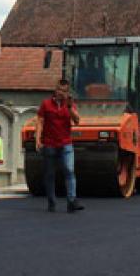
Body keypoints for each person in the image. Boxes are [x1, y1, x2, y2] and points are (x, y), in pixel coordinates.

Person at [36, 79, 84, 213]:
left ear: (67, 92)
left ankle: (72, 201)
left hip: (66, 144)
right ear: (55, 90)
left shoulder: (69, 105)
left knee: (69, 170)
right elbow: (40, 121)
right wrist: (38, 139)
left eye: (64, 91)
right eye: (59, 90)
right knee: (50, 174)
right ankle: (51, 201)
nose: (61, 93)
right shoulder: (46, 104)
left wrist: (69, 107)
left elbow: (77, 120)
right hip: (49, 144)